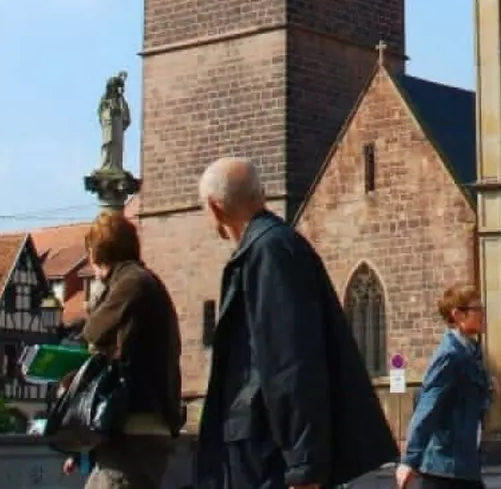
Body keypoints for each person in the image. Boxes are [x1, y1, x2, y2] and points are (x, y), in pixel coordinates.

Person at [195, 157, 396, 489]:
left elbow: (292, 362)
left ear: (216, 209)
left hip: (268, 454)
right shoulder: (266, 248)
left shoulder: (269, 252)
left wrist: (304, 466)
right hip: (260, 447)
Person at [62, 211, 184, 489]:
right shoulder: (143, 282)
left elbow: (93, 334)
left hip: (136, 430)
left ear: (95, 253)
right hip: (134, 430)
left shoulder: (132, 283)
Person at [396, 286, 492, 489]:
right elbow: (428, 405)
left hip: (464, 465)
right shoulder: (449, 355)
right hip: (444, 468)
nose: (483, 314)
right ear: (458, 315)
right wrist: (410, 460)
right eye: (477, 309)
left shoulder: (471, 352)